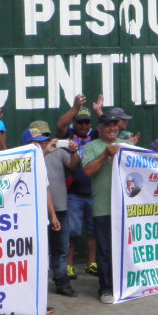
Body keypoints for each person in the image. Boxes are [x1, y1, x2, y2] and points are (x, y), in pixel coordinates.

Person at [81, 107, 128, 303]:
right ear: (99, 128)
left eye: (114, 125)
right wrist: (105, 155)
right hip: (103, 208)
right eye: (107, 125)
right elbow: (88, 172)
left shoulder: (127, 145)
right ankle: (106, 288)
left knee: (127, 248)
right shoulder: (92, 147)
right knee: (105, 251)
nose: (112, 128)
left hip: (127, 209)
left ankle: (126, 285)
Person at [27, 125, 78, 296]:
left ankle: (62, 282)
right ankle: (36, 289)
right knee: (37, 252)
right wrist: (45, 151)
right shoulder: (26, 155)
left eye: (46, 138)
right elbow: (30, 165)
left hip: (58, 208)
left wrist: (73, 152)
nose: (45, 142)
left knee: (61, 249)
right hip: (34, 212)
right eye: (40, 139)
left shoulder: (58, 151)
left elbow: (74, 165)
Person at [62, 109, 98, 280]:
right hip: (74, 193)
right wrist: (75, 108)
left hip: (93, 192)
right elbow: (60, 125)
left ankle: (91, 263)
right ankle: (69, 266)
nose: (84, 125)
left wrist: (98, 111)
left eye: (87, 122)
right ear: (74, 123)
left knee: (93, 231)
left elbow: (110, 125)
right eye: (80, 122)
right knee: (72, 232)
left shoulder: (96, 134)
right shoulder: (68, 134)